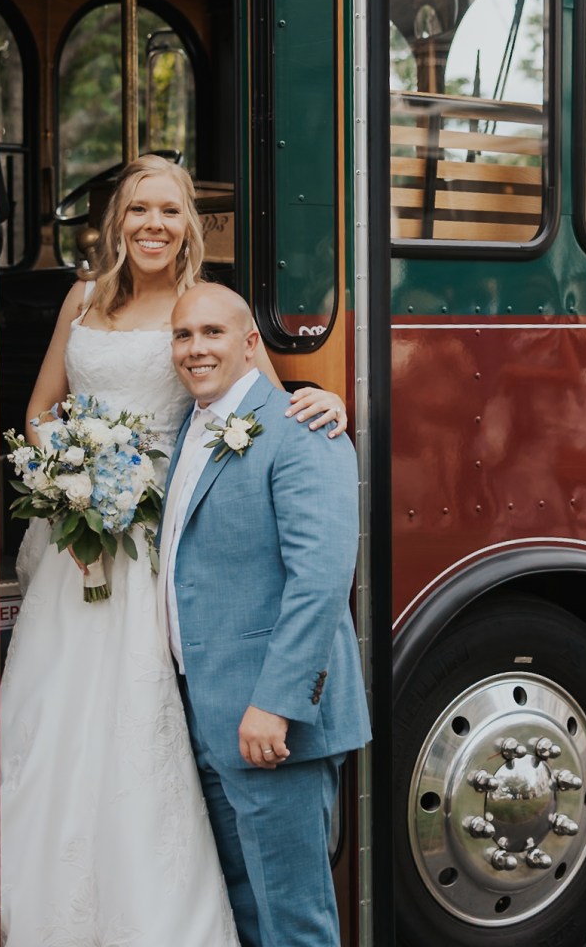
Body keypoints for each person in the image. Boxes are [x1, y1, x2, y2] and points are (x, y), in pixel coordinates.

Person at [0, 154, 348, 943]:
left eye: (170, 210)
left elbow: (265, 402)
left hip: (157, 539)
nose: (153, 223)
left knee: (139, 713)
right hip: (77, 535)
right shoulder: (81, 298)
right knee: (54, 711)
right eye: (138, 210)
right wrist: (70, 479)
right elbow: (41, 408)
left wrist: (325, 400)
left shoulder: (200, 309)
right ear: (115, 222)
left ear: (191, 224)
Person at [161, 283, 370, 947]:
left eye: (213, 333)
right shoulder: (184, 429)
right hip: (209, 713)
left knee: (294, 920)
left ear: (252, 342)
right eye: (183, 335)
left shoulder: (304, 429)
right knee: (245, 911)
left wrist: (276, 703)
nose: (196, 348)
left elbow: (320, 582)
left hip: (270, 726)